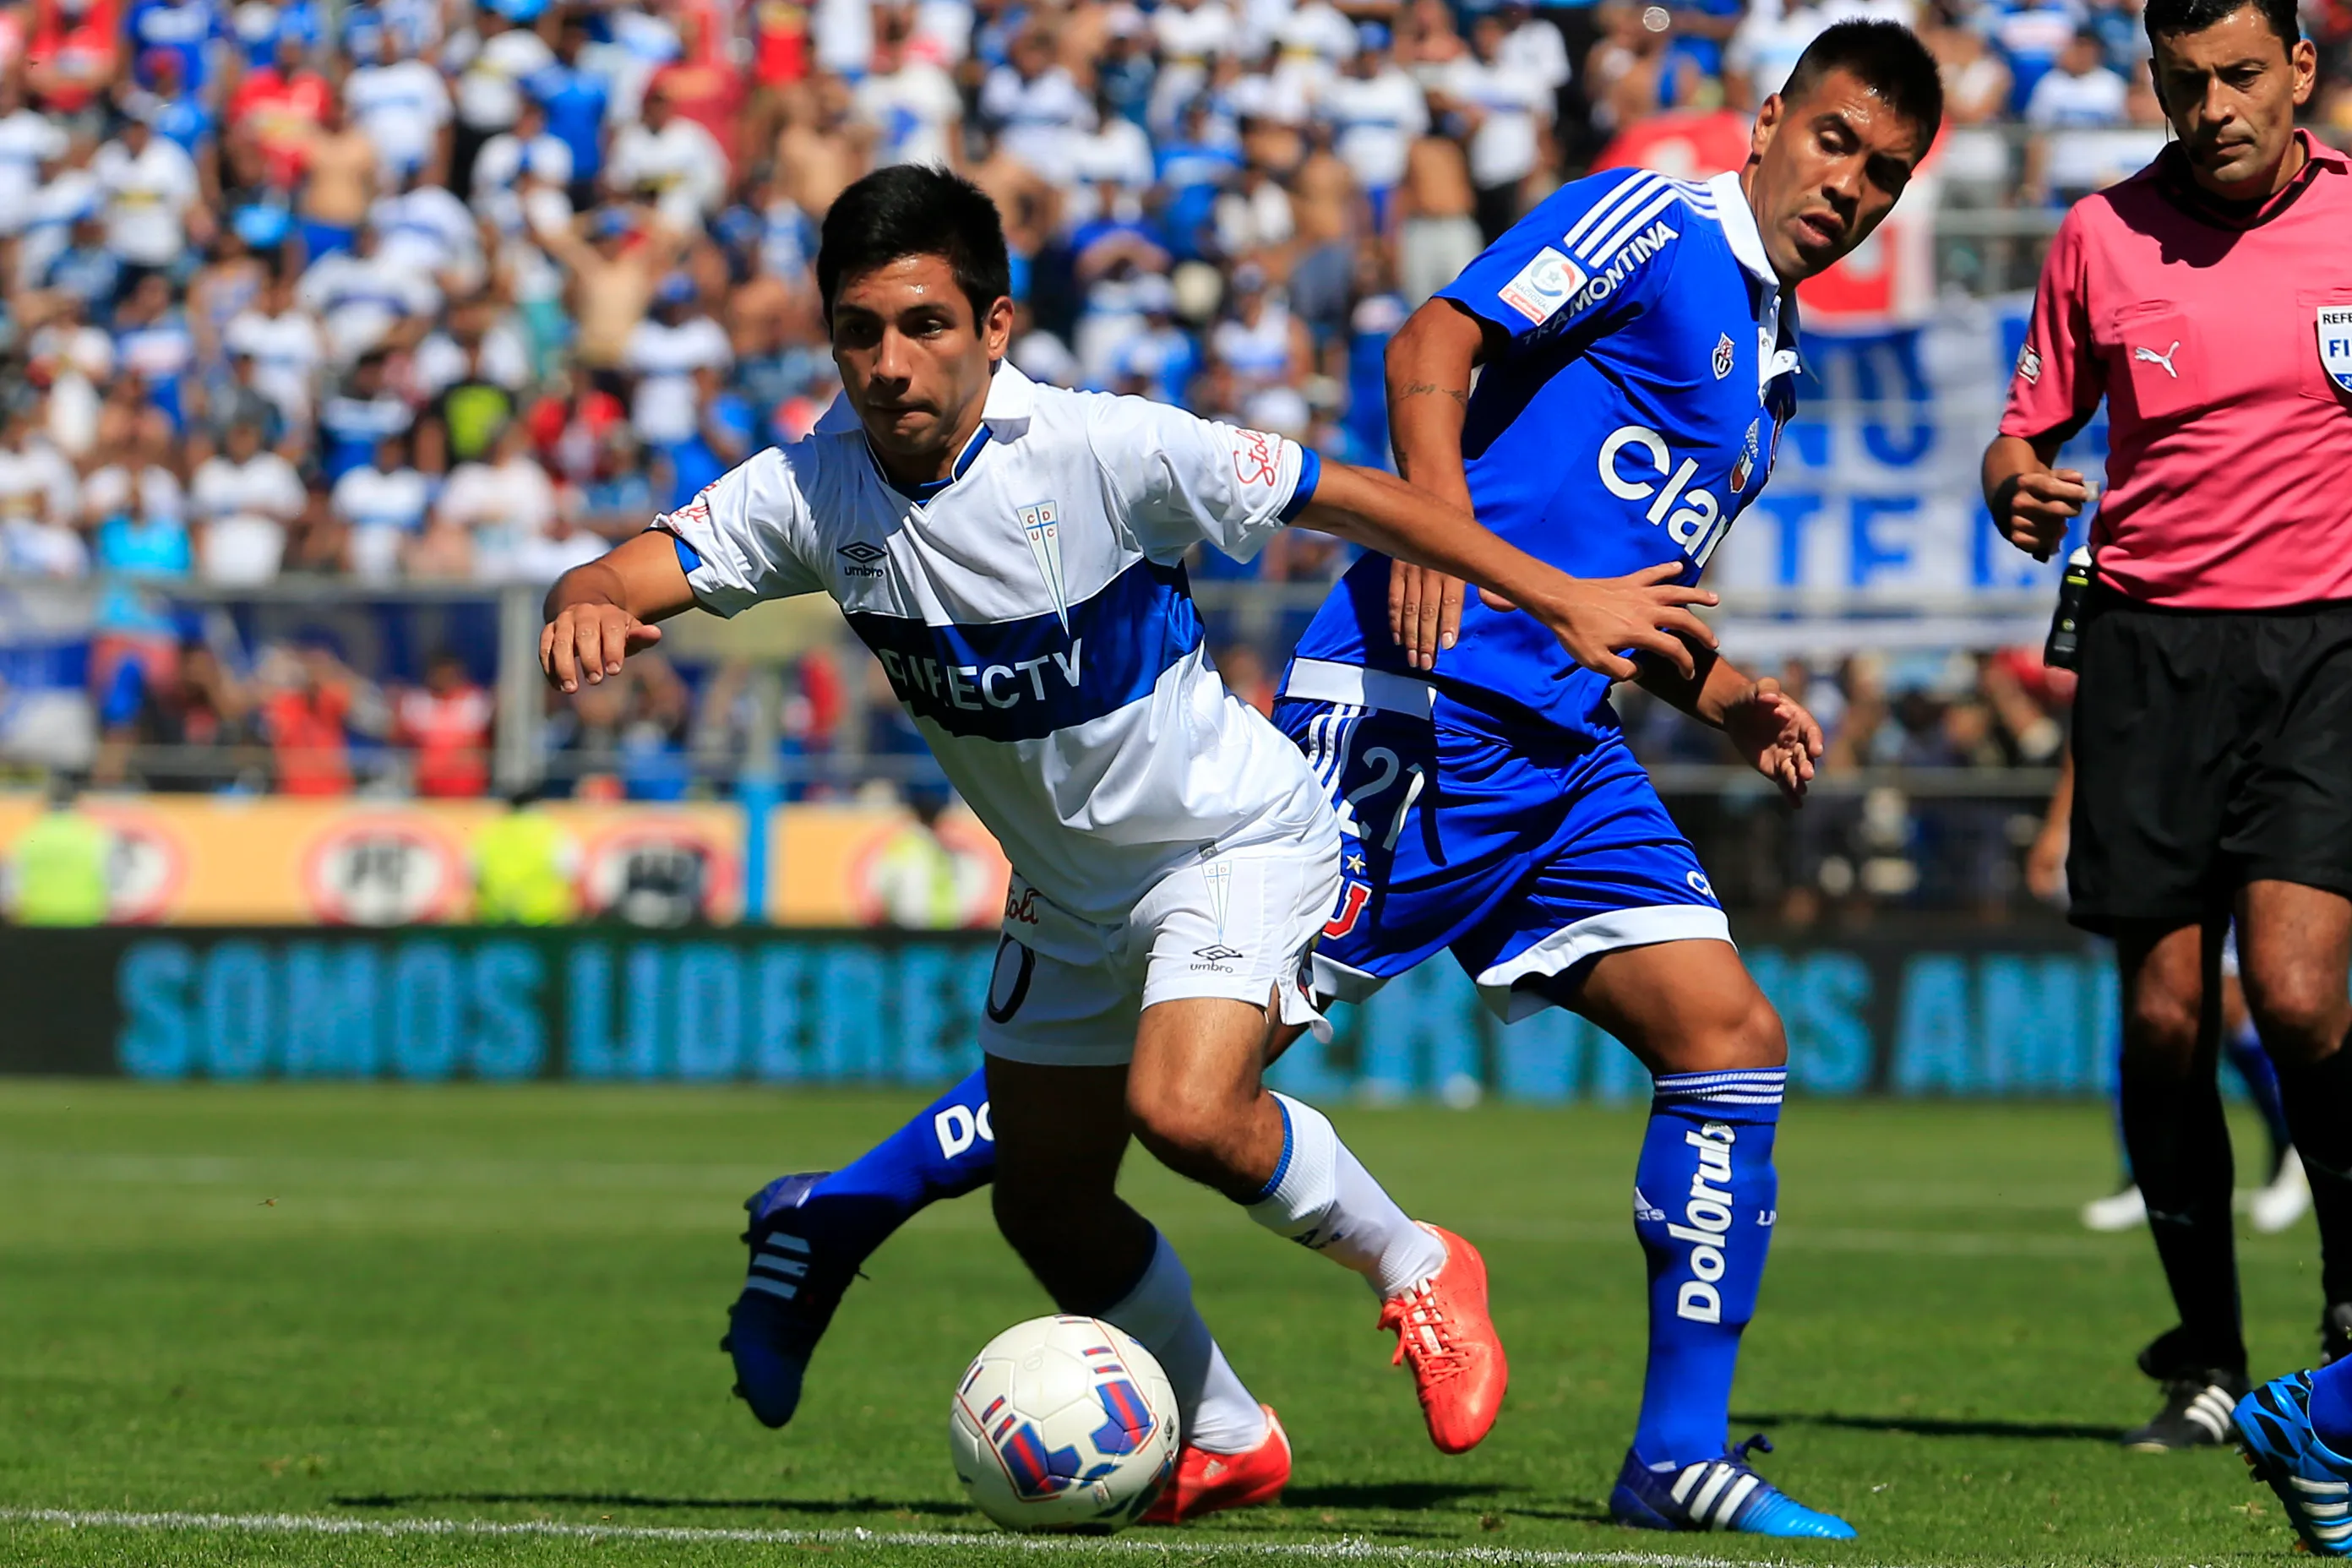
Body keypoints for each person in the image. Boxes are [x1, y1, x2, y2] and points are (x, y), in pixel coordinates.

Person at [705, 22, 1939, 1541]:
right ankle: (850, 1205)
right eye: (1832, 142)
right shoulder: (1657, 219)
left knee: (1727, 1036)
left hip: (1564, 743)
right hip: (1422, 711)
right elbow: (1430, 342)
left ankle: (1674, 1454)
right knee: (1197, 1068)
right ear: (1765, 123)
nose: (1849, 185)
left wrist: (1724, 688)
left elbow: (1613, 565)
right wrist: (1427, 523)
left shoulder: (1769, 367)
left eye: (1883, 173)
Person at [543, 164, 1717, 1523]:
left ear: (996, 326)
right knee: (1045, 1205)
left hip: (1233, 841)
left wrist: (1552, 592)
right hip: (1066, 896)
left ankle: (1418, 1264)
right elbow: (631, 566)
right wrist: (585, 599)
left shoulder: (1107, 449)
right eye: (857, 331)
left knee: (1185, 1110)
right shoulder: (813, 492)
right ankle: (1226, 1436)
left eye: (923, 325)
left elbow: (1350, 497)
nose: (886, 362)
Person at [1981, 0, 2352, 1476]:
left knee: (2302, 991)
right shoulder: (2097, 235)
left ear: (2297, 74)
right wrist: (2011, 482)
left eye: (2239, 77)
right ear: (2153, 83)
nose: (2211, 107)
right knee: (2158, 1017)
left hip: (2323, 638)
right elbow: (2026, 431)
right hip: (2144, 647)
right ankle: (2203, 1355)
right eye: (2183, 81)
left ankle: (2344, 1301)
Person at [2029, 746, 2311, 1239]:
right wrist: (2059, 824)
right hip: (2138, 826)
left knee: (2227, 1004)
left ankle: (2293, 1140)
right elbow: (2090, 727)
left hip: (2220, 817)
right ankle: (2144, 1168)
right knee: (2144, 1001)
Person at [6, 774, 112, 925]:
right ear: (78, 802)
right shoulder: (93, 835)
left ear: (43, 803)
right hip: (84, 918)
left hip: (38, 919)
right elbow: (108, 879)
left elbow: (13, 885)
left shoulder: (28, 836)